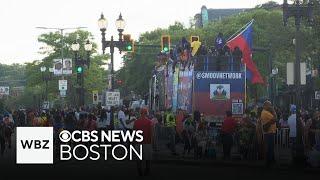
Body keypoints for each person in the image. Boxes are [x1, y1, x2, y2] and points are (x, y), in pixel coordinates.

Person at [134, 108, 153, 176]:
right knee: (147, 158)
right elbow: (151, 133)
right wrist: (152, 143)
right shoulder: (149, 122)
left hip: (138, 142)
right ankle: (147, 170)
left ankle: (139, 170)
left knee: (138, 158)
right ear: (146, 113)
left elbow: (134, 132)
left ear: (140, 113)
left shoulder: (136, 122)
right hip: (147, 142)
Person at [260, 100, 277, 167]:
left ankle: (271, 160)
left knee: (270, 147)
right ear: (266, 105)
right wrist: (273, 110)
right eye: (270, 105)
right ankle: (269, 162)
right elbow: (275, 118)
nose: (271, 106)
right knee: (270, 148)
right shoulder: (265, 112)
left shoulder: (264, 112)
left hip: (269, 132)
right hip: (269, 132)